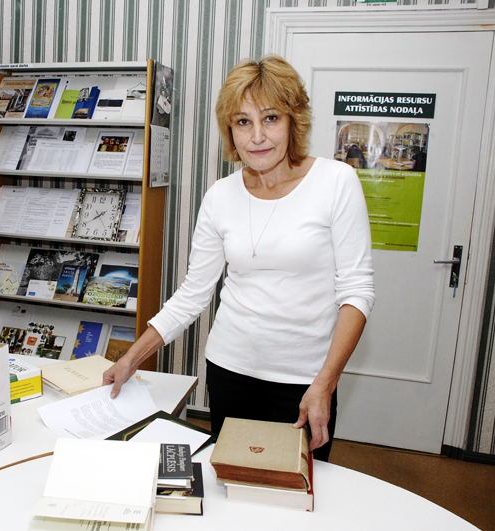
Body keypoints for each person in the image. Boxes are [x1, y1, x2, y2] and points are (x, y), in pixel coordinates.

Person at [103, 55, 375, 462]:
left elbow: (357, 292)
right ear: (230, 129)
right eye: (243, 122)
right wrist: (130, 359)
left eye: (271, 118)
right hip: (230, 371)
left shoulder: (336, 182)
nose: (257, 137)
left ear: (293, 120)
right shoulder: (220, 196)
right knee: (232, 478)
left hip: (305, 379)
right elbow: (193, 294)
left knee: (294, 486)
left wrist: (325, 383)